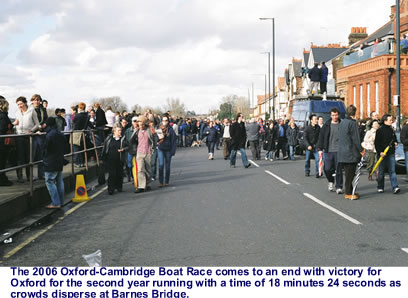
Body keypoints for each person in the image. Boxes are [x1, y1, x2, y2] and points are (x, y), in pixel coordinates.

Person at [338, 105, 365, 200]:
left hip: (342, 151)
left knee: (348, 173)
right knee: (350, 174)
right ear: (355, 113)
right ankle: (348, 192)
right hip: (351, 152)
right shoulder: (353, 123)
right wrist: (361, 150)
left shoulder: (342, 122)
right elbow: (356, 139)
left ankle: (350, 190)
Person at [13, 96, 41, 183]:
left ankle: (29, 176)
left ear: (25, 103)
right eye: (18, 104)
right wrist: (14, 124)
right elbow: (16, 122)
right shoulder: (17, 112)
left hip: (28, 136)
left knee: (29, 157)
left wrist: (31, 130)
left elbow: (37, 124)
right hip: (19, 136)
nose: (19, 106)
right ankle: (20, 177)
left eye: (21, 104)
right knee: (19, 157)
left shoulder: (32, 110)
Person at [317, 107, 343, 194]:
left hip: (339, 151)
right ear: (330, 115)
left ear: (338, 115)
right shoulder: (326, 125)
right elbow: (321, 137)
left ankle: (339, 186)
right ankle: (331, 181)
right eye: (333, 115)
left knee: (339, 169)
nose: (335, 117)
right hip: (328, 150)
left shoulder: (342, 124)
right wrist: (320, 148)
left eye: (336, 115)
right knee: (327, 169)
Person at [43, 117, 66, 208]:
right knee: (59, 181)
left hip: (50, 161)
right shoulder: (60, 133)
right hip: (59, 159)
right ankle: (61, 201)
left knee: (49, 181)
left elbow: (45, 148)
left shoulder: (49, 135)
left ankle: (56, 203)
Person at [374, 114, 400, 194]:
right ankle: (380, 186)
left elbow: (394, 138)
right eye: (390, 120)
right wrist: (380, 152)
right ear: (385, 121)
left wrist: (395, 142)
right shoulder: (380, 130)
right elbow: (377, 143)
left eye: (392, 120)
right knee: (381, 171)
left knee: (392, 171)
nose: (391, 121)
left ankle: (395, 187)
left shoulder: (391, 129)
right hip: (382, 153)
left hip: (391, 153)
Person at [130, 115, 156, 193]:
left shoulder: (149, 131)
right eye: (139, 124)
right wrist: (134, 150)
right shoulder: (136, 131)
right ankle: (141, 186)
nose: (140, 126)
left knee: (148, 170)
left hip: (148, 152)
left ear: (145, 124)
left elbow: (153, 141)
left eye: (141, 124)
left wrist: (152, 150)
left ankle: (147, 184)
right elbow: (132, 141)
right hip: (139, 152)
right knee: (140, 169)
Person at [102, 124, 128, 195]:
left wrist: (123, 149)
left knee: (119, 173)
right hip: (110, 159)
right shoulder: (109, 138)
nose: (120, 132)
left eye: (120, 130)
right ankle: (111, 189)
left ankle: (119, 187)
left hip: (120, 159)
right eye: (118, 130)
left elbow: (128, 146)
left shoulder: (123, 138)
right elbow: (105, 147)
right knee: (112, 174)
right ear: (114, 131)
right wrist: (103, 157)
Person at [157, 115, 177, 187]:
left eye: (166, 120)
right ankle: (161, 182)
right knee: (161, 165)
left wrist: (173, 151)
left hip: (168, 150)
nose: (164, 122)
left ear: (168, 121)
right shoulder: (159, 129)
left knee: (167, 166)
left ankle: (167, 181)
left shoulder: (171, 130)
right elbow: (156, 139)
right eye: (163, 120)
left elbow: (174, 141)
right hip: (160, 149)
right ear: (161, 121)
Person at [31, 94, 48, 180]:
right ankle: (30, 175)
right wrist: (35, 129)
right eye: (35, 100)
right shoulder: (30, 110)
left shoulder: (43, 109)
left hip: (41, 133)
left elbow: (46, 119)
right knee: (32, 155)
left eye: (38, 100)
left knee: (41, 154)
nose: (37, 102)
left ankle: (41, 174)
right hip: (33, 133)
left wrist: (45, 124)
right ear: (32, 101)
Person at [0, 96, 13, 186]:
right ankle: (2, 179)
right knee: (2, 161)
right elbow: (3, 128)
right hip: (2, 143)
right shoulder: (3, 116)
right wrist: (12, 125)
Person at [72, 102, 89, 168]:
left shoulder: (77, 116)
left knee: (76, 149)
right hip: (83, 133)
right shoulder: (86, 116)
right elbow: (89, 124)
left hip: (76, 133)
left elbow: (73, 124)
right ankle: (82, 162)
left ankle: (77, 163)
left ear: (79, 108)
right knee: (82, 149)